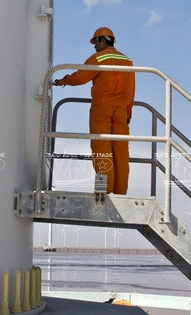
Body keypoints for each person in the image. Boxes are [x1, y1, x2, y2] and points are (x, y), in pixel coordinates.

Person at [53, 27, 135, 194]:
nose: (94, 46)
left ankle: (103, 191)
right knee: (120, 151)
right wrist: (128, 112)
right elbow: (131, 89)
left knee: (101, 149)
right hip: (121, 112)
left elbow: (80, 77)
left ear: (103, 40)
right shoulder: (127, 60)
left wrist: (62, 81)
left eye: (95, 42)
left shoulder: (100, 57)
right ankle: (120, 193)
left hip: (102, 110)